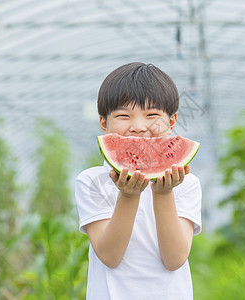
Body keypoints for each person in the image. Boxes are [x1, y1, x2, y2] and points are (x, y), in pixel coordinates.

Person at [75, 62, 202, 299]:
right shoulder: (91, 181)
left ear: (171, 122)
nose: (139, 127)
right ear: (104, 123)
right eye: (124, 116)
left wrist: (164, 194)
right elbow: (110, 257)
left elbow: (174, 259)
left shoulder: (186, 183)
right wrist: (128, 195)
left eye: (152, 115)